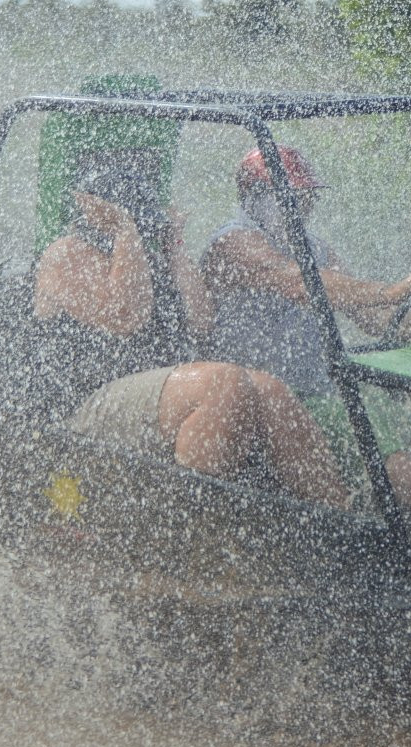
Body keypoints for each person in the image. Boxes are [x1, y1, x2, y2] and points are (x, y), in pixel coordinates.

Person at [198, 146, 411, 539]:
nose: (308, 205)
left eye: (310, 195)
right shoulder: (232, 243)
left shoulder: (315, 246)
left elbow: (375, 318)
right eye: (297, 196)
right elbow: (302, 283)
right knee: (364, 416)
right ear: (258, 197)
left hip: (325, 384)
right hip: (276, 397)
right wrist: (395, 289)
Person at [30, 159, 348, 509]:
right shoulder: (65, 253)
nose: (141, 229)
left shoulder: (144, 259)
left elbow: (202, 319)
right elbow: (124, 315)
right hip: (88, 406)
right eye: (132, 220)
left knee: (269, 387)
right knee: (222, 383)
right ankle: (190, 520)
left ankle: (337, 511)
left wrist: (174, 245)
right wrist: (125, 232)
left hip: (154, 396)